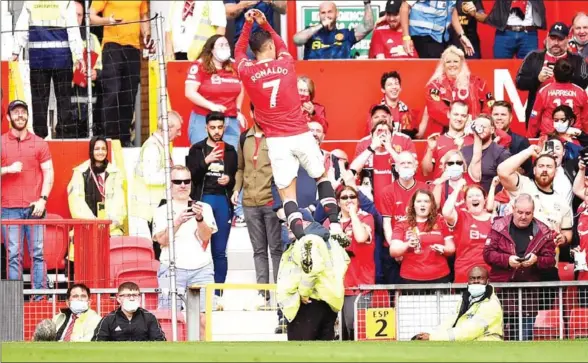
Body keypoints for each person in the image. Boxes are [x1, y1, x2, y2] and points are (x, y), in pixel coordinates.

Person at [235, 10, 347, 253]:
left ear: (255, 51)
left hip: (276, 141)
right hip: (299, 133)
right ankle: (336, 225)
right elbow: (282, 43)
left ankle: (300, 237)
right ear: (270, 47)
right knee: (321, 177)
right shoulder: (285, 64)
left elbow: (238, 52)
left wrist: (246, 26)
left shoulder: (246, 71)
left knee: (287, 195)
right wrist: (266, 25)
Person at [153, 165, 216, 339]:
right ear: (170, 185)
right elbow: (162, 241)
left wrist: (200, 219)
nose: (182, 185)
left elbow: (206, 237)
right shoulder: (161, 211)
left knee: (203, 320)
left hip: (201, 269)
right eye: (177, 181)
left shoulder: (204, 208)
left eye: (186, 181)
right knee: (168, 320)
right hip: (171, 269)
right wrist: (178, 221)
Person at [483, 194, 557, 340]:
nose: (523, 216)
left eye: (528, 213)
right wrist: (507, 260)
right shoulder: (498, 226)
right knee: (498, 337)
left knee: (525, 339)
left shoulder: (543, 231)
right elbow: (487, 254)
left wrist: (537, 260)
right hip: (501, 288)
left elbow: (550, 260)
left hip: (529, 290)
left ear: (533, 212)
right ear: (513, 209)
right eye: (520, 212)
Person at [232, 105, 282, 308]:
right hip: (249, 202)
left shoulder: (276, 137)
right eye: (256, 112)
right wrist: (237, 189)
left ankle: (280, 294)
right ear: (252, 113)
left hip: (271, 201)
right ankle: (263, 294)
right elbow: (240, 167)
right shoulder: (244, 137)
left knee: (276, 249)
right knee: (258, 250)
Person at [1, 100, 54, 292]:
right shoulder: (1, 142)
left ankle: (39, 299)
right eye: (16, 112)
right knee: (13, 255)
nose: (20, 115)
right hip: (8, 209)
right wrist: (7, 169)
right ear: (8, 117)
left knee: (38, 254)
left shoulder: (39, 143)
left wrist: (43, 199)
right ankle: (15, 299)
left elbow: (49, 172)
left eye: (23, 112)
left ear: (27, 116)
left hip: (35, 207)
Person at [12, 0, 84, 139]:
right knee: (64, 99)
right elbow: (73, 28)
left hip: (38, 58)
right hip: (62, 58)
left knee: (39, 101)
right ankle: (64, 135)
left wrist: (16, 51)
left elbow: (21, 28)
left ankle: (40, 137)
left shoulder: (31, 2)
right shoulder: (65, 2)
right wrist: (79, 56)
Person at [186, 112, 238, 297]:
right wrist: (206, 161)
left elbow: (235, 179)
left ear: (225, 128)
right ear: (206, 127)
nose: (217, 131)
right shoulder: (196, 150)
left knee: (219, 250)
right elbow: (190, 177)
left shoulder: (231, 150)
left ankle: (217, 295)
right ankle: (198, 293)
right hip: (203, 200)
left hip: (222, 202)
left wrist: (229, 180)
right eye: (213, 127)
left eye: (220, 127)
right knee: (200, 248)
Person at [276, 214, 350, 341]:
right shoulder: (328, 240)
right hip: (328, 301)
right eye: (286, 223)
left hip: (309, 303)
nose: (287, 226)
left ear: (307, 223)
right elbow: (345, 261)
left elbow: (312, 268)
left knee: (301, 352)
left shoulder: (307, 240)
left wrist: (304, 293)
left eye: (291, 223)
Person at [90, 0, 151, 145]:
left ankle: (124, 138)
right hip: (112, 45)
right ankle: (108, 138)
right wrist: (107, 20)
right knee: (112, 91)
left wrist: (146, 34)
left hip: (134, 48)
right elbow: (91, 16)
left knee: (129, 94)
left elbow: (143, 17)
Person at [497, 145, 573, 251]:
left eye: (549, 167)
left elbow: (567, 232)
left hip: (547, 258)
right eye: (541, 166)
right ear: (534, 170)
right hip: (516, 256)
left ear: (555, 172)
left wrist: (564, 238)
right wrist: (528, 152)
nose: (545, 170)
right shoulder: (523, 185)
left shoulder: (562, 202)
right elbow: (502, 171)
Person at [129, 111, 183, 257]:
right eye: (178, 130)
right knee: (148, 256)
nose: (179, 134)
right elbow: (150, 177)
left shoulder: (160, 146)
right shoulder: (152, 147)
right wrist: (173, 175)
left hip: (152, 212)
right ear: (168, 128)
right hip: (145, 214)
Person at [515, 22, 588, 124]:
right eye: (553, 38)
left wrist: (563, 74)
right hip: (539, 118)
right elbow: (519, 82)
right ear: (547, 37)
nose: (556, 43)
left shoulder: (578, 60)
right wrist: (537, 79)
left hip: (570, 119)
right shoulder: (533, 57)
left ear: (567, 39)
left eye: (560, 39)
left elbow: (584, 81)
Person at [185, 35, 244, 148]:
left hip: (230, 121)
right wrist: (211, 106)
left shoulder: (234, 65)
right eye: (221, 45)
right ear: (211, 49)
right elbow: (190, 92)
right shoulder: (199, 66)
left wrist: (238, 110)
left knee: (232, 160)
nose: (225, 47)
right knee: (204, 159)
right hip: (204, 119)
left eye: (226, 45)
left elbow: (240, 89)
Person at [413, 267, 503, 341]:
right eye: (472, 278)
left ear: (488, 281)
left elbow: (470, 331)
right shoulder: (464, 300)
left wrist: (433, 338)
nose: (476, 281)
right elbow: (448, 322)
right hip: (470, 346)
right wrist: (430, 334)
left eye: (480, 278)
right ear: (468, 281)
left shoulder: (491, 304)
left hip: (488, 348)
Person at [422, 46, 493, 137]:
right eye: (448, 62)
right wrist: (462, 121)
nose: (452, 65)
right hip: (443, 134)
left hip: (473, 133)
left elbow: (489, 103)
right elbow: (435, 109)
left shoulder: (477, 82)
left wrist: (481, 122)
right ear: (443, 65)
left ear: (462, 63)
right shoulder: (434, 85)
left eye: (455, 61)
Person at [333, 186, 375, 341]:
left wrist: (352, 214)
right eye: (344, 198)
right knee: (341, 333)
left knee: (356, 329)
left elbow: (361, 237)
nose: (349, 200)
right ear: (338, 202)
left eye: (352, 197)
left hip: (359, 285)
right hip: (336, 287)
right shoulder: (330, 222)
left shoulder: (366, 218)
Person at [389, 189, 456, 283]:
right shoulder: (402, 223)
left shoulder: (440, 221)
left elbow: (451, 248)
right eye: (419, 201)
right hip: (410, 278)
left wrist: (443, 249)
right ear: (413, 205)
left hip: (440, 276)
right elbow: (393, 251)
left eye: (426, 201)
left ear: (432, 205)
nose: (422, 204)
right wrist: (408, 244)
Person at [67, 136, 126, 236]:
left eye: (103, 149)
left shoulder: (115, 173)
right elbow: (76, 202)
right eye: (97, 149)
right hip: (86, 227)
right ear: (91, 150)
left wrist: (107, 224)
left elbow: (119, 202)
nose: (100, 152)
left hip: (110, 228)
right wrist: (94, 222)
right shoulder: (80, 172)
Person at [351, 121, 416, 211]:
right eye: (379, 131)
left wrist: (389, 148)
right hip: (370, 205)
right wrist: (372, 147)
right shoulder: (366, 153)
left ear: (391, 136)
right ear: (371, 135)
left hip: (396, 205)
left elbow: (407, 169)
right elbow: (353, 170)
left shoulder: (396, 155)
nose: (382, 135)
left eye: (386, 132)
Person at [442, 181, 492, 283]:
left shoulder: (494, 219)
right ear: (465, 201)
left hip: (489, 271)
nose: (474, 198)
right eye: (470, 196)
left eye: (478, 195)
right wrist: (457, 188)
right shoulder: (461, 216)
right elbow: (446, 212)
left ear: (485, 199)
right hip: (464, 271)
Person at [464, 0, 546, 59]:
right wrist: (474, 13)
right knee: (501, 68)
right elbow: (488, 18)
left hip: (529, 34)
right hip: (505, 33)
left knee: (529, 69)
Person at [527, 58, 588, 137]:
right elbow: (585, 119)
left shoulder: (544, 91)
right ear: (572, 74)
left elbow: (534, 118)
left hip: (549, 138)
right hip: (573, 138)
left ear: (554, 73)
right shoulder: (580, 92)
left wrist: (529, 138)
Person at [294, 1, 374, 60]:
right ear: (319, 15)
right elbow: (296, 40)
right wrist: (321, 25)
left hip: (339, 78)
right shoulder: (311, 33)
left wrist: (367, 3)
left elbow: (368, 26)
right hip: (314, 78)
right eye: (323, 13)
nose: (326, 16)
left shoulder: (346, 34)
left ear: (337, 14)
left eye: (330, 12)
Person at [93, 282, 166, 341]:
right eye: (127, 295)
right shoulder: (108, 319)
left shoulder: (149, 318)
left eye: (135, 295)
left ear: (139, 298)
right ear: (118, 298)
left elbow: (159, 341)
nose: (131, 298)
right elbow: (98, 343)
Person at [399, 0, 474, 59]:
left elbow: (452, 10)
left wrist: (461, 35)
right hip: (422, 34)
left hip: (440, 36)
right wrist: (406, 37)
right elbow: (405, 6)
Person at [71, 0, 103, 138]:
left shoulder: (92, 38)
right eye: (74, 15)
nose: (77, 19)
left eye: (80, 15)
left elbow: (101, 67)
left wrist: (97, 73)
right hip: (67, 93)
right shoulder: (60, 37)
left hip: (90, 94)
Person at [461, 115, 511, 192]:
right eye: (476, 126)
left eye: (483, 127)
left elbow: (509, 181)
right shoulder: (464, 151)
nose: (479, 129)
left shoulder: (501, 153)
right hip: (468, 198)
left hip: (493, 199)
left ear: (492, 130)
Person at [421, 101, 469, 178]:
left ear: (467, 117)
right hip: (441, 188)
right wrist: (430, 149)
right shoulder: (436, 140)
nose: (459, 118)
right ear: (448, 114)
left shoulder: (473, 142)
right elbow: (426, 172)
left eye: (463, 115)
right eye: (456, 114)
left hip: (465, 188)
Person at [365, 72, 416, 137]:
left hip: (401, 146)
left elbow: (410, 137)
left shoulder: (406, 111)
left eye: (396, 84)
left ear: (400, 88)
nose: (394, 87)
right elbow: (371, 134)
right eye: (390, 84)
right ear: (383, 90)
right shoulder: (375, 110)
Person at [491, 101, 532, 176]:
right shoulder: (485, 140)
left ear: (510, 118)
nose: (499, 118)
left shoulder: (521, 141)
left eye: (503, 115)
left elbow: (527, 172)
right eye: (496, 114)